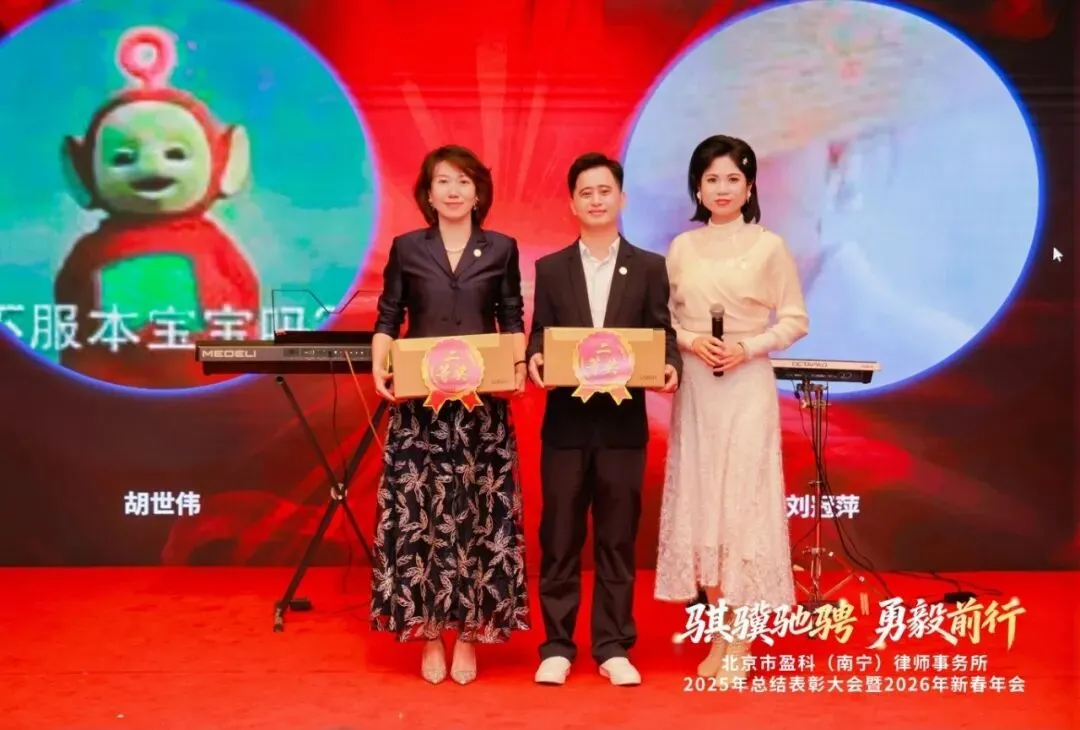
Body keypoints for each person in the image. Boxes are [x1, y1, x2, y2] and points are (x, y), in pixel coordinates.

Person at [368, 144, 530, 685]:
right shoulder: (407, 248)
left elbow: (512, 317)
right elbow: (389, 317)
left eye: (464, 181)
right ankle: (431, 635)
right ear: (429, 193)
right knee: (424, 520)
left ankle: (469, 637)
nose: (454, 190)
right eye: (443, 181)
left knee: (479, 519)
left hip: (482, 411)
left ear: (478, 192)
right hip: (422, 411)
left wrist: (515, 370)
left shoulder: (501, 247)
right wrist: (379, 366)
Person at [654, 134, 809, 680]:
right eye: (712, 179)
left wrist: (749, 347)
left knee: (741, 505)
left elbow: (794, 319)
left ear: (749, 186)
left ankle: (740, 640)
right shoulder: (682, 247)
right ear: (697, 187)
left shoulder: (769, 246)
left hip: (746, 385)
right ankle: (719, 634)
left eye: (733, 179)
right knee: (705, 505)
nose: (722, 189)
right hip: (698, 384)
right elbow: (664, 319)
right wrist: (693, 341)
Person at [526, 152, 681, 687]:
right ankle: (557, 646)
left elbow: (662, 334)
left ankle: (613, 646)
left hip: (622, 428)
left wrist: (669, 365)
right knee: (560, 537)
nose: (595, 200)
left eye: (604, 191)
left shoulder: (650, 267)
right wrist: (537, 357)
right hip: (565, 427)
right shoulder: (551, 269)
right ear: (572, 203)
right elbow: (541, 333)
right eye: (585, 192)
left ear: (621, 198)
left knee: (616, 539)